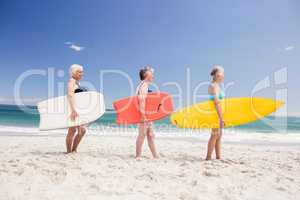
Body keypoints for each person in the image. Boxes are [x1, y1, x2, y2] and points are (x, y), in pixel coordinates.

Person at [135, 66, 159, 160]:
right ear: (146, 75)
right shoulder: (144, 85)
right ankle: (138, 155)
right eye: (151, 73)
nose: (153, 75)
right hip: (143, 114)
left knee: (150, 135)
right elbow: (141, 100)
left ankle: (155, 155)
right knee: (142, 135)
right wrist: (142, 115)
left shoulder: (144, 85)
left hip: (147, 114)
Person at [65, 64, 87, 153]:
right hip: (73, 110)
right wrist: (73, 110)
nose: (81, 74)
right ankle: (69, 151)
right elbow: (70, 95)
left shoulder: (77, 83)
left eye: (82, 72)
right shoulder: (72, 81)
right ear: (74, 72)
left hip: (78, 110)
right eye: (79, 72)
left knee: (82, 130)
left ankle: (73, 150)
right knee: (72, 131)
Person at [206, 66, 225, 160]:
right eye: (222, 73)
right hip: (215, 113)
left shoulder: (217, 86)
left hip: (219, 112)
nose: (223, 76)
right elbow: (216, 102)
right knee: (215, 135)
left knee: (219, 135)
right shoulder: (213, 86)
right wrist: (221, 118)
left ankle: (218, 157)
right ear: (216, 74)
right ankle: (208, 157)